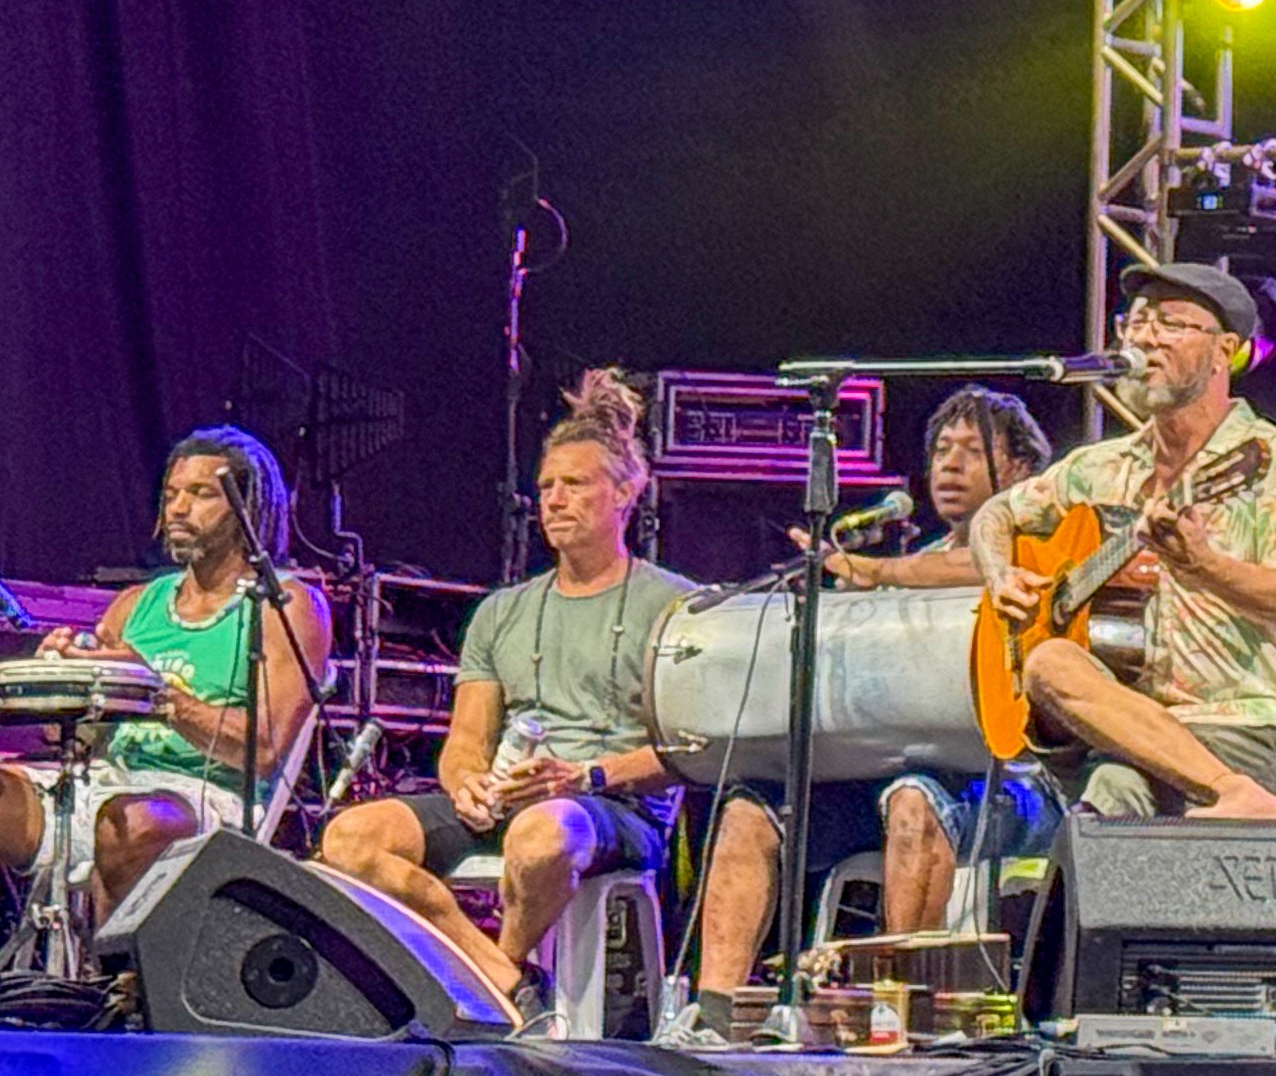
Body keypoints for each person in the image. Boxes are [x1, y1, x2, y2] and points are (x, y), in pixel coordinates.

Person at [320, 374, 695, 1024]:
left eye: (574, 484)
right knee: (350, 837)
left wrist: (582, 774)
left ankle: (497, 985)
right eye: (546, 486)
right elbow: (466, 740)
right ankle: (497, 976)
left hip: (611, 803)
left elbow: (689, 749)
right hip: (511, 793)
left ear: (626, 493)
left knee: (542, 832)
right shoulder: (502, 612)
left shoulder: (676, 605)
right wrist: (466, 783)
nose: (553, 500)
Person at [693, 386, 1061, 999]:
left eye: (972, 451)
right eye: (942, 449)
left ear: (1021, 467)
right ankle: (714, 1012)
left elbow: (976, 568)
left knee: (916, 798)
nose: (949, 464)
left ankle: (901, 1014)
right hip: (886, 778)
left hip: (1012, 786)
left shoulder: (1036, 550)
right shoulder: (909, 564)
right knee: (748, 810)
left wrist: (879, 573)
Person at [965, 264, 1276, 820]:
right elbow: (994, 515)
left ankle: (1235, 790)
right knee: (1049, 665)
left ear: (1224, 351)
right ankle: (1227, 794)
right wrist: (1001, 576)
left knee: (1109, 789)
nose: (1144, 338)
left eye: (1170, 324)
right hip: (1124, 724)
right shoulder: (1102, 466)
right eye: (1136, 323)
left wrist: (1203, 565)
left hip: (1243, 728)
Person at [2, 430, 332, 911]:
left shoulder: (284, 605)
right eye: (172, 494)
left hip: (206, 797)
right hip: (107, 780)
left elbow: (264, 751)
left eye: (201, 495)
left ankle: (115, 984)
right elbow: (75, 738)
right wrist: (65, 679)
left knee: (131, 824)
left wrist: (157, 692)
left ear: (249, 511)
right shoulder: (136, 605)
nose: (178, 508)